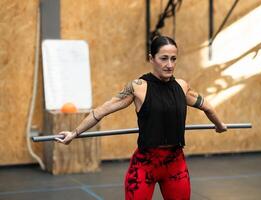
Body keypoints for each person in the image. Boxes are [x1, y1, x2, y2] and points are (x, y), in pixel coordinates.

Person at [56, 35, 227, 200]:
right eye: (164, 58)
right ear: (151, 58)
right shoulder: (138, 87)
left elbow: (207, 107)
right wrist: (74, 133)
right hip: (145, 164)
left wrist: (219, 125)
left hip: (175, 163)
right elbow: (101, 111)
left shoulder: (182, 87)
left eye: (173, 59)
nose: (169, 64)